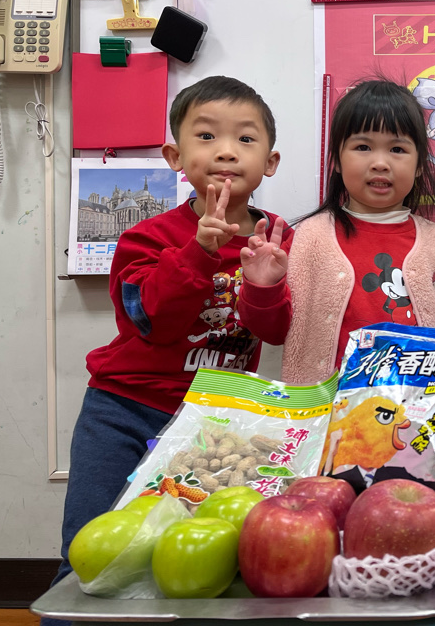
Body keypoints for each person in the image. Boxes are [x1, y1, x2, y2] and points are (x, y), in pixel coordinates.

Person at [47, 76, 292, 611]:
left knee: (192, 556)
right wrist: (199, 253)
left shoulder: (276, 240)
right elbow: (150, 320)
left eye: (245, 139)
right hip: (123, 408)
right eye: (206, 136)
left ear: (270, 162)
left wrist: (264, 284)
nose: (226, 151)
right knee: (91, 549)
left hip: (213, 423)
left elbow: (275, 332)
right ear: (175, 157)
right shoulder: (147, 237)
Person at [279, 78, 435, 385]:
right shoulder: (310, 236)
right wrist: (263, 288)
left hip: (415, 403)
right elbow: (274, 330)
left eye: (397, 149)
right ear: (337, 160)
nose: (380, 163)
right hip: (323, 406)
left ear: (418, 165)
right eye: (363, 147)